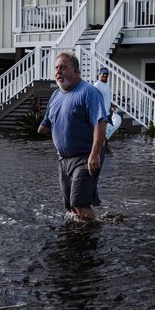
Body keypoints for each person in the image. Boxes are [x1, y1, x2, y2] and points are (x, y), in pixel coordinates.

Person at [38, 51, 108, 221]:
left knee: (79, 203)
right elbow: (46, 124)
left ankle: (93, 234)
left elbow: (100, 122)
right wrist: (41, 129)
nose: (58, 71)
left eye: (63, 67)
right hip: (63, 159)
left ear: (76, 71)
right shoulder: (55, 95)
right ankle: (79, 232)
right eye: (56, 68)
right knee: (70, 206)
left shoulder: (88, 92)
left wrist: (95, 154)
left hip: (85, 156)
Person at [93, 67, 123, 140]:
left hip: (107, 113)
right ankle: (101, 145)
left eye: (106, 74)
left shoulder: (106, 84)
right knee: (102, 134)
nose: (105, 75)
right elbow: (94, 99)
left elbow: (106, 97)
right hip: (101, 114)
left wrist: (111, 105)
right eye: (103, 74)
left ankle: (105, 145)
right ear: (99, 74)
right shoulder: (97, 85)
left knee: (108, 132)